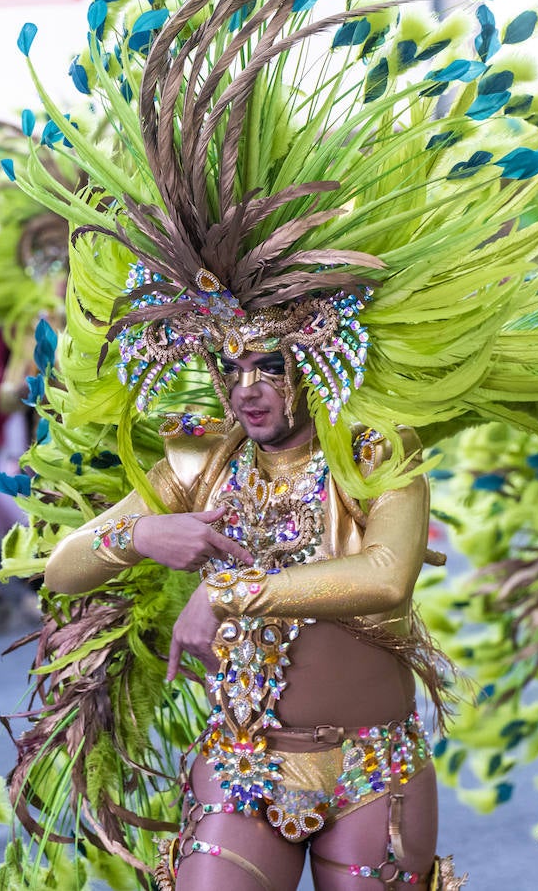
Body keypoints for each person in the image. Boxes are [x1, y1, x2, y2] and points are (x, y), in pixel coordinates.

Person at [45, 335, 446, 889]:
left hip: (371, 767)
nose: (246, 391)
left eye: (270, 368)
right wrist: (140, 533)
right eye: (231, 370)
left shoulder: (372, 456)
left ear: (318, 364)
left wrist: (223, 594)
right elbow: (62, 568)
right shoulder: (202, 465)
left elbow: (387, 576)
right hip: (241, 763)